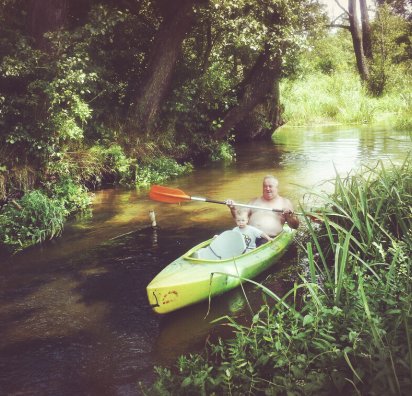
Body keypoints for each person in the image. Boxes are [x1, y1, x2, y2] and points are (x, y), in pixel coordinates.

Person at [226, 175, 299, 238]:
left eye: (270, 186)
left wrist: (289, 216)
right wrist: (233, 208)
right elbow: (240, 217)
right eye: (265, 186)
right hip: (249, 236)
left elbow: (295, 226)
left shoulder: (285, 202)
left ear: (277, 188)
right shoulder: (254, 201)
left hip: (269, 238)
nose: (267, 189)